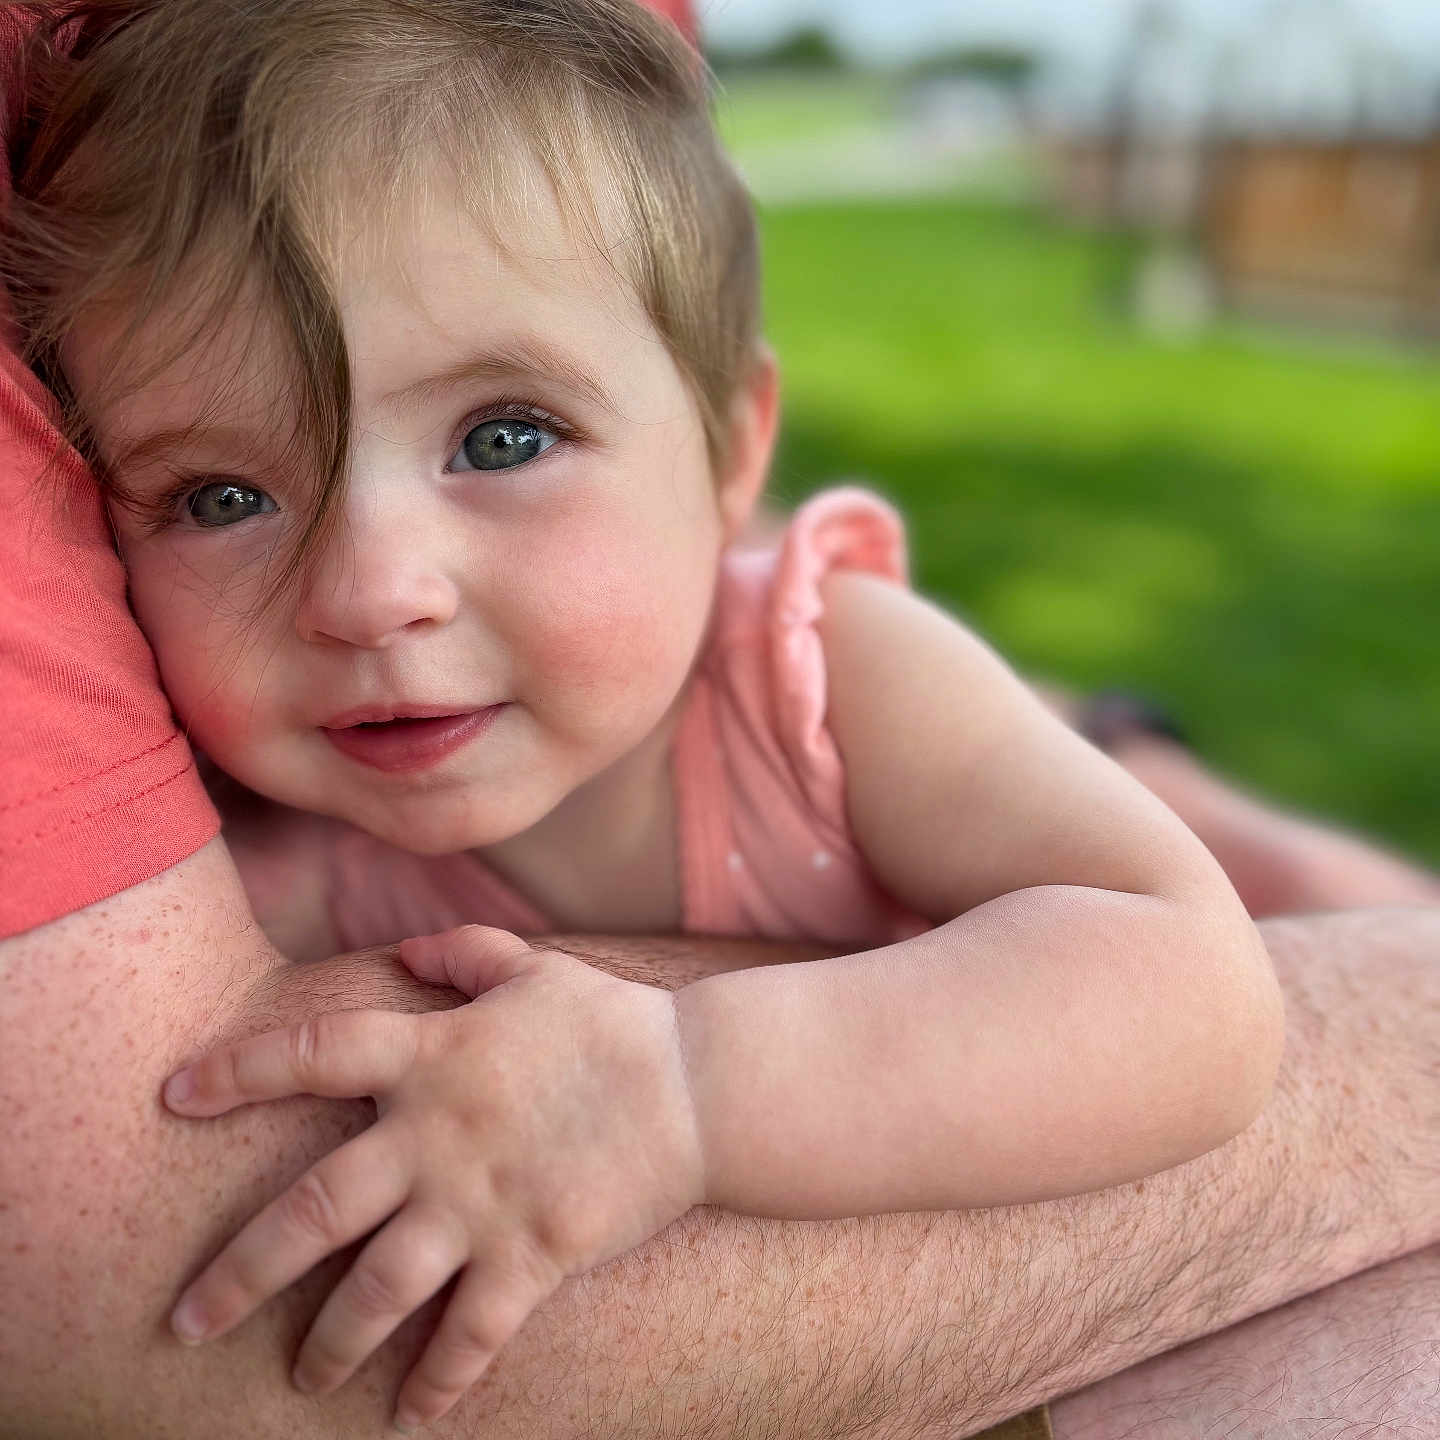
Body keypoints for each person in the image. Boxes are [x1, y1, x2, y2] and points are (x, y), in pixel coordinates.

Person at [0, 8, 1434, 1440]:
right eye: (220, 498)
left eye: (503, 436)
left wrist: (689, 1090)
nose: (369, 592)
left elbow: (1192, 986)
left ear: (733, 448)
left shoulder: (824, 683)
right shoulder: (264, 865)